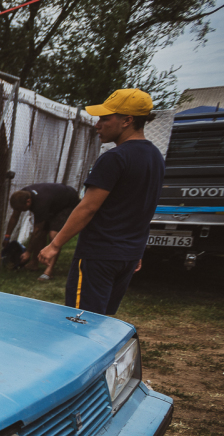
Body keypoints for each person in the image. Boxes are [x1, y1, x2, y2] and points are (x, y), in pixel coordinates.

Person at [38, 89, 164, 316]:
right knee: (103, 320)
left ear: (127, 120)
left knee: (81, 320)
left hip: (99, 255)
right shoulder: (155, 157)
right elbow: (145, 207)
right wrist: (138, 251)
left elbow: (88, 207)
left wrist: (55, 245)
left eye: (105, 119)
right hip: (127, 255)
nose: (98, 124)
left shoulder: (115, 157)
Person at [6, 183, 81, 281]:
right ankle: (34, 263)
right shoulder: (21, 195)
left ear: (28, 202)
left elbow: (37, 230)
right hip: (52, 204)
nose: (20, 211)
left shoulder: (40, 203)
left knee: (53, 235)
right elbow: (14, 217)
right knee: (41, 233)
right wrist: (7, 236)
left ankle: (49, 272)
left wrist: (28, 252)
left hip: (67, 204)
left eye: (21, 209)